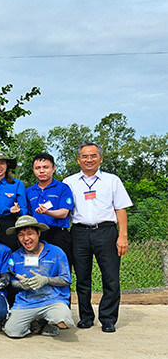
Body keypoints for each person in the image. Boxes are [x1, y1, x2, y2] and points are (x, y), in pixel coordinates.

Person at [63, 142, 132, 333]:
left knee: (110, 277)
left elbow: (121, 208)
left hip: (106, 231)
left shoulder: (112, 180)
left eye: (93, 156)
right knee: (82, 278)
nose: (89, 160)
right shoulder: (69, 182)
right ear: (78, 160)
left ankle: (108, 318)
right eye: (84, 156)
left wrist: (122, 236)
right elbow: (64, 210)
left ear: (100, 158)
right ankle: (86, 317)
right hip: (79, 232)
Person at [3, 215, 74, 338]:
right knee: (12, 331)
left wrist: (46, 280)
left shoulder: (56, 252)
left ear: (38, 233)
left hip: (52, 300)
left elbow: (66, 279)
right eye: (21, 235)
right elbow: (12, 281)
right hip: (26, 302)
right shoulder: (15, 256)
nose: (26, 238)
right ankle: (34, 321)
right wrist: (20, 284)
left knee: (63, 320)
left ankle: (49, 323)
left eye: (30, 233)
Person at [26, 153, 74, 265]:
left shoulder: (63, 188)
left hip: (58, 234)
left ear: (53, 168)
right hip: (36, 235)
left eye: (45, 167)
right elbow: (27, 214)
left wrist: (47, 212)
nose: (41, 171)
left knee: (60, 268)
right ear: (33, 170)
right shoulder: (29, 191)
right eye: (38, 168)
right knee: (34, 266)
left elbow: (64, 212)